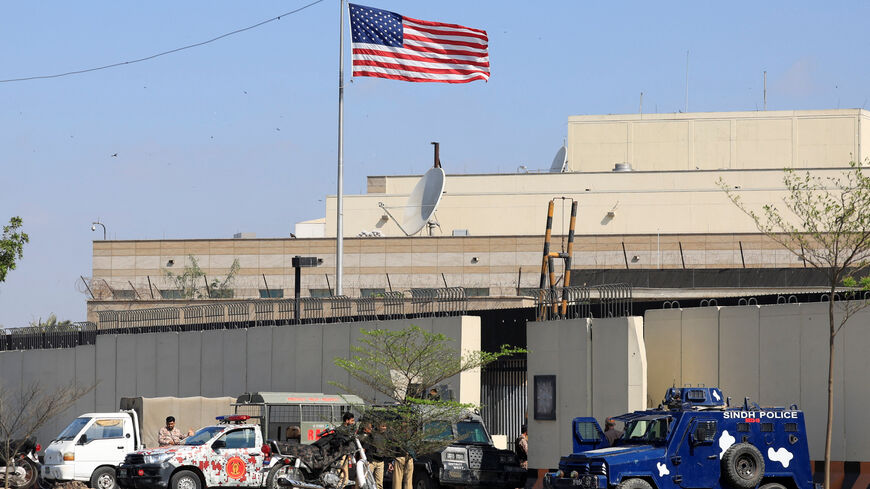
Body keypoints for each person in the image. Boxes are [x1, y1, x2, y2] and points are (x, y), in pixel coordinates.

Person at [363, 422, 387, 489]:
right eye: (383, 426)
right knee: (368, 482)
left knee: (379, 484)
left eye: (385, 426)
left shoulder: (386, 436)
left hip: (381, 462)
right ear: (378, 426)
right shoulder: (371, 435)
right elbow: (364, 449)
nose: (384, 428)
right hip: (371, 461)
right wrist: (365, 461)